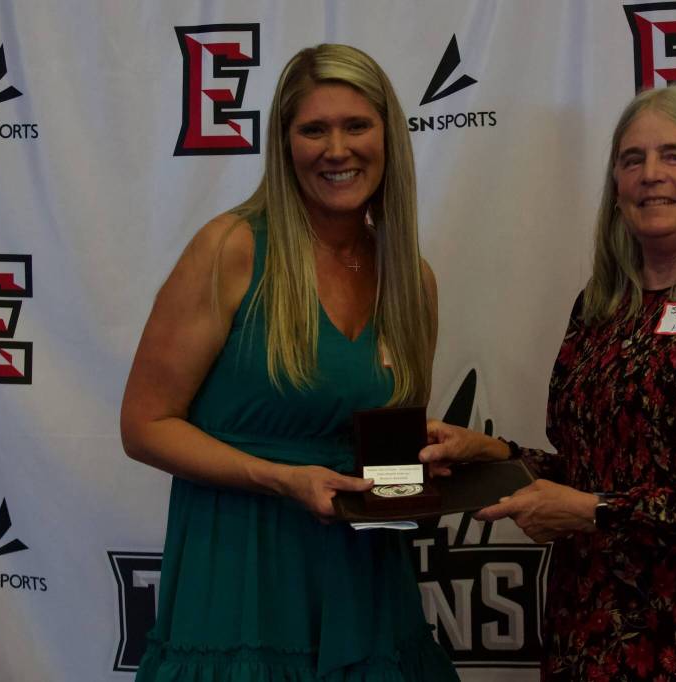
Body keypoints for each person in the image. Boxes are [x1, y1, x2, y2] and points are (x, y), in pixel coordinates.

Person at [421, 85, 676, 681]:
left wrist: (593, 513)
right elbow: (591, 474)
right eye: (632, 160)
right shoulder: (603, 307)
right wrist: (493, 454)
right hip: (589, 637)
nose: (650, 175)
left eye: (675, 156)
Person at [120, 44, 459, 681]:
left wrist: (438, 457)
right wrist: (279, 478)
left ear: (388, 136)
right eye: (314, 129)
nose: (337, 149)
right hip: (239, 573)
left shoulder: (413, 281)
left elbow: (385, 445)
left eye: (356, 125)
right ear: (284, 145)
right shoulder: (232, 248)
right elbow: (144, 425)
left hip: (364, 580)